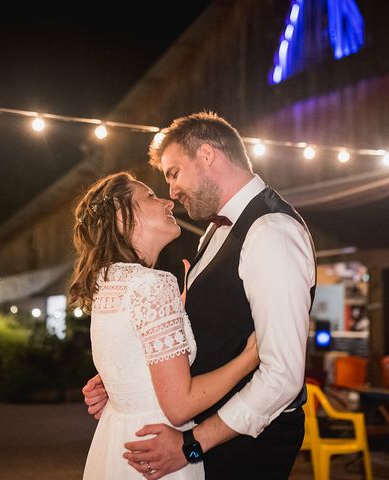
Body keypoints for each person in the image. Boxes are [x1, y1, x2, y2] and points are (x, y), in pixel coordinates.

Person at [84, 112, 317, 479]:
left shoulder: (271, 231)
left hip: (245, 444)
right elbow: (195, 329)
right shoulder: (214, 231)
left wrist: (193, 443)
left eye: (174, 173)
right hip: (201, 433)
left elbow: (283, 376)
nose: (172, 193)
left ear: (207, 156)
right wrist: (129, 380)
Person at [69, 172, 260, 479]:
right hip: (162, 445)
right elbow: (181, 405)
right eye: (150, 196)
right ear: (122, 216)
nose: (168, 200)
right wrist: (249, 358)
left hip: (119, 439)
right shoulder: (152, 285)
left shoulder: (108, 281)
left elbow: (132, 353)